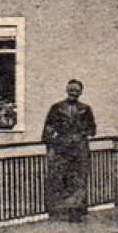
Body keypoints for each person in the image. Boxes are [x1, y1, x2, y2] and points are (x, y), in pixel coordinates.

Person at [42, 79, 97, 221]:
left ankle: (76, 210)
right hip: (61, 148)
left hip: (79, 148)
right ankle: (59, 211)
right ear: (67, 90)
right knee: (60, 176)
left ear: (80, 92)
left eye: (76, 90)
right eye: (71, 89)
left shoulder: (86, 109)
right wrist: (51, 144)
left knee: (79, 178)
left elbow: (93, 129)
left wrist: (82, 132)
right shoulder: (56, 108)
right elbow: (48, 127)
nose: (73, 92)